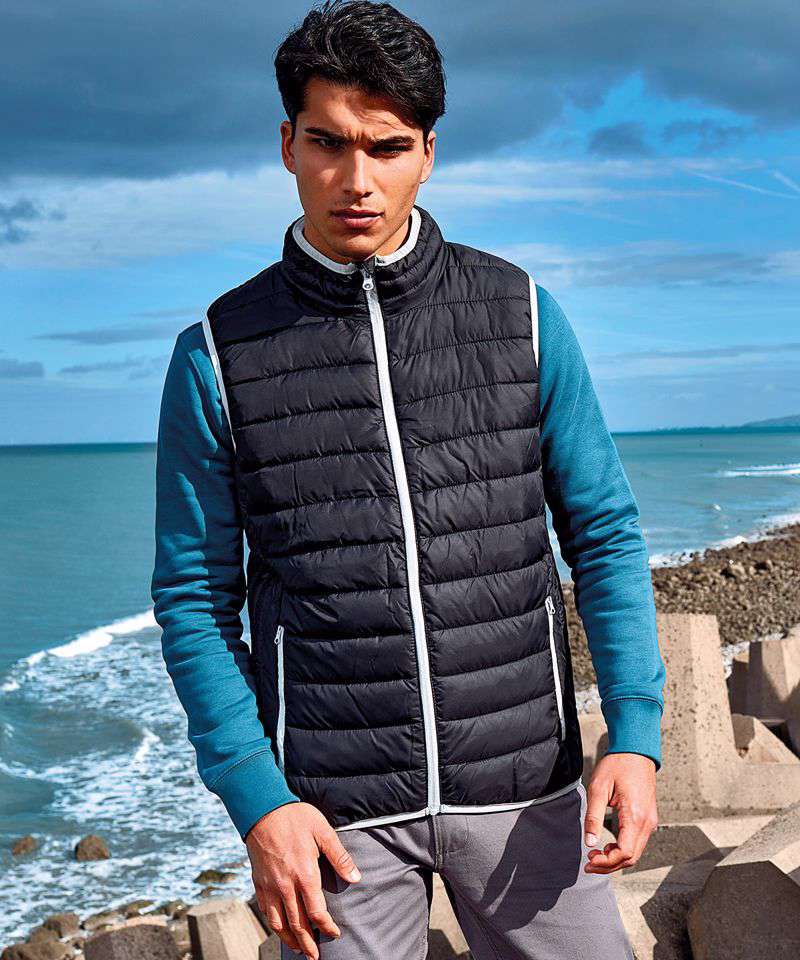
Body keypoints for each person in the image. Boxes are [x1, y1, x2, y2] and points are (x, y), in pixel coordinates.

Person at [150, 2, 666, 957]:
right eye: (328, 143)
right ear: (287, 145)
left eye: (386, 147)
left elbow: (603, 534)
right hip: (331, 817)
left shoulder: (524, 314)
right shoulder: (215, 353)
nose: (357, 181)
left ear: (428, 153)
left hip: (526, 788)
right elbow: (192, 598)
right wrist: (259, 800)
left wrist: (634, 732)